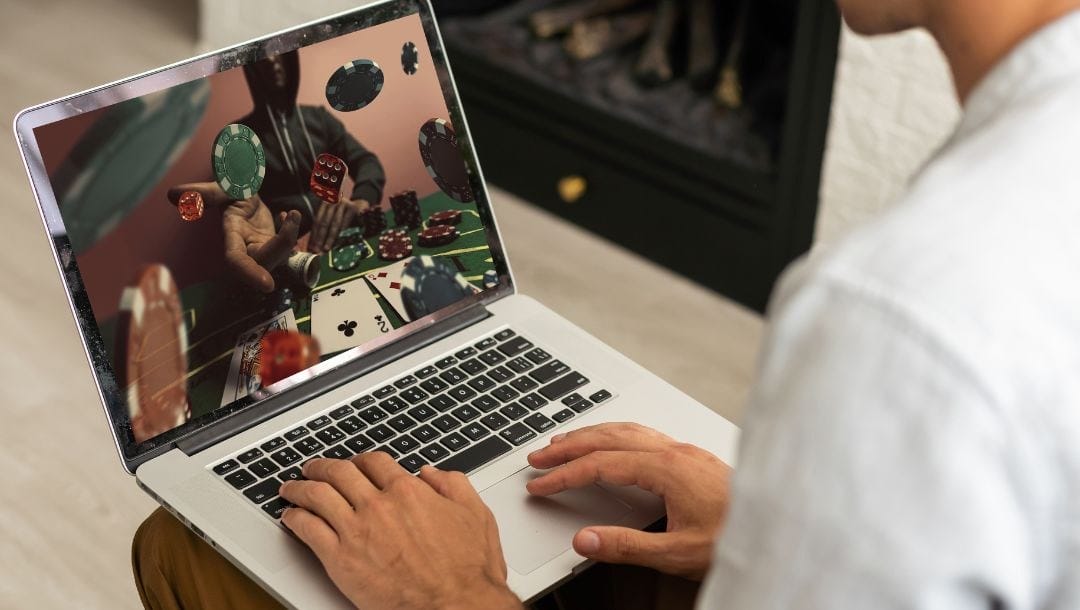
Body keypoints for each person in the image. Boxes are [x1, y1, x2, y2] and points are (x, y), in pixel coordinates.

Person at [133, 0, 1080, 608]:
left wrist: (452, 596)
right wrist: (767, 525)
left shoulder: (902, 310)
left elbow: (370, 170)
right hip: (296, 297)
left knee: (192, 552)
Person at [167, 50, 387, 292]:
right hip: (286, 257)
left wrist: (361, 200)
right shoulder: (238, 139)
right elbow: (241, 209)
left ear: (291, 59)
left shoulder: (319, 118)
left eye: (278, 52)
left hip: (343, 241)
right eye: (262, 55)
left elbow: (367, 162)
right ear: (250, 69)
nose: (272, 61)